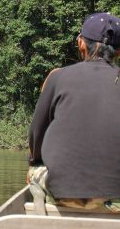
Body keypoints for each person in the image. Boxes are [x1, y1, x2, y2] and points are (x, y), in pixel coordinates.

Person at [28, 12, 120, 211]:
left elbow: (36, 136)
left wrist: (35, 162)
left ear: (81, 44)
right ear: (118, 52)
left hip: (63, 192)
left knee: (34, 171)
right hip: (117, 200)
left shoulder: (57, 77)